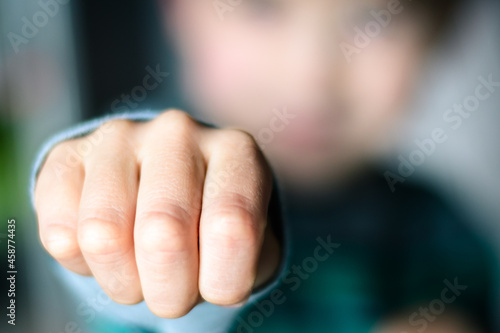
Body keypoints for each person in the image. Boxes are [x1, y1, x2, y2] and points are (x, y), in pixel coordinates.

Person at [31, 0, 496, 332]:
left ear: (439, 31)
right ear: (176, 11)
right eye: (261, 8)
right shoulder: (147, 166)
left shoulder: (451, 230)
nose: (311, 75)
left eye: (375, 20)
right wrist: (123, 210)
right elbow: (120, 264)